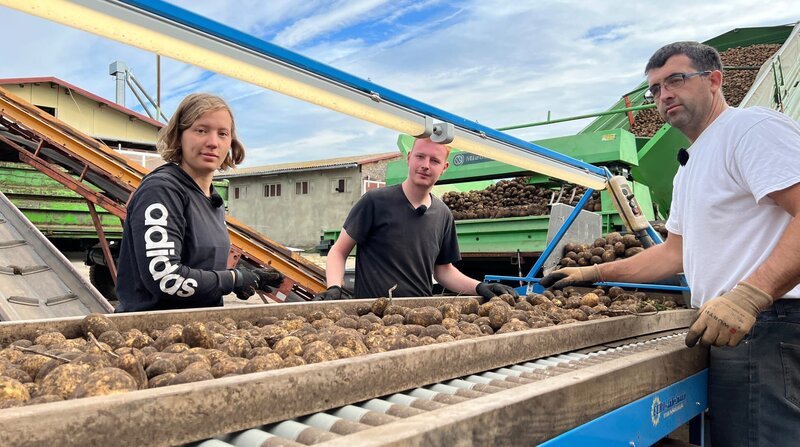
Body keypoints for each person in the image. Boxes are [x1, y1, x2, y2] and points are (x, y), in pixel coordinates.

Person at [541, 41, 800, 446]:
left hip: (769, 322)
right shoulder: (690, 166)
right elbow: (672, 254)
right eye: (655, 89)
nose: (664, 95)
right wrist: (593, 272)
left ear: (714, 80)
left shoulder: (749, 129)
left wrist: (750, 296)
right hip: (727, 326)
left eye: (676, 80)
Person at [115, 93, 283, 312]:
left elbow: (201, 265)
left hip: (200, 327)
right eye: (201, 130)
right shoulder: (162, 190)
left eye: (222, 134)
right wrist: (231, 280)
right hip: (153, 334)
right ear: (179, 137)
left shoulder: (212, 199)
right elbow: (166, 279)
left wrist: (240, 278)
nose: (212, 142)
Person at [316, 137, 518, 301]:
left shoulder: (443, 215)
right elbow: (339, 251)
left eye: (434, 161)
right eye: (420, 157)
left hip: (418, 319)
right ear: (409, 158)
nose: (425, 165)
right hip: (372, 317)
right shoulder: (375, 202)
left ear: (444, 167)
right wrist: (334, 288)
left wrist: (480, 287)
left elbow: (443, 271)